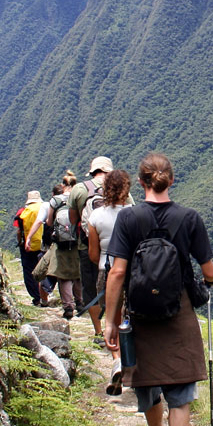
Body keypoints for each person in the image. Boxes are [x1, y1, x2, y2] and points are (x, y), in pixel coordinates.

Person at [103, 153, 213, 426]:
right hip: (178, 311)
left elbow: (118, 272)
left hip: (139, 312)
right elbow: (209, 270)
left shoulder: (128, 218)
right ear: (171, 181)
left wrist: (110, 321)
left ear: (141, 183)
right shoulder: (189, 219)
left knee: (148, 381)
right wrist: (207, 283)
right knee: (180, 392)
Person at [69, 156, 133, 340]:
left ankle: (99, 331)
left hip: (89, 248)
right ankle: (122, 330)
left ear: (93, 171)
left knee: (90, 289)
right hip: (123, 254)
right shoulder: (124, 191)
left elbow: (74, 220)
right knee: (123, 294)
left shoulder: (79, 189)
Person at [87, 169, 132, 394]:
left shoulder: (95, 217)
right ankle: (132, 362)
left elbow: (93, 253)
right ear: (126, 189)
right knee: (130, 316)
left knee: (113, 317)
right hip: (133, 271)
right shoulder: (135, 213)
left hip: (106, 270)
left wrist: (105, 261)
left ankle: (117, 360)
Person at [46, 171, 82, 319]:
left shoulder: (55, 200)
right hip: (77, 241)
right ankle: (80, 302)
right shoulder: (79, 198)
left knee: (63, 275)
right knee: (78, 274)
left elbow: (49, 222)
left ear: (63, 185)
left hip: (61, 242)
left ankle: (68, 306)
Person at [26, 183, 63, 306]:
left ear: (53, 194)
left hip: (47, 244)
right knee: (64, 272)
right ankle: (70, 301)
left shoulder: (47, 206)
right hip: (65, 243)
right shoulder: (69, 204)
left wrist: (29, 238)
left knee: (44, 271)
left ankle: (44, 300)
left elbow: (38, 222)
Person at [14, 190, 45, 306]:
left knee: (29, 271)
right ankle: (45, 295)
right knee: (43, 270)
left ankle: (36, 297)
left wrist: (21, 242)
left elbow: (18, 231)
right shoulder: (45, 208)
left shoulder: (23, 212)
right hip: (44, 244)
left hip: (28, 246)